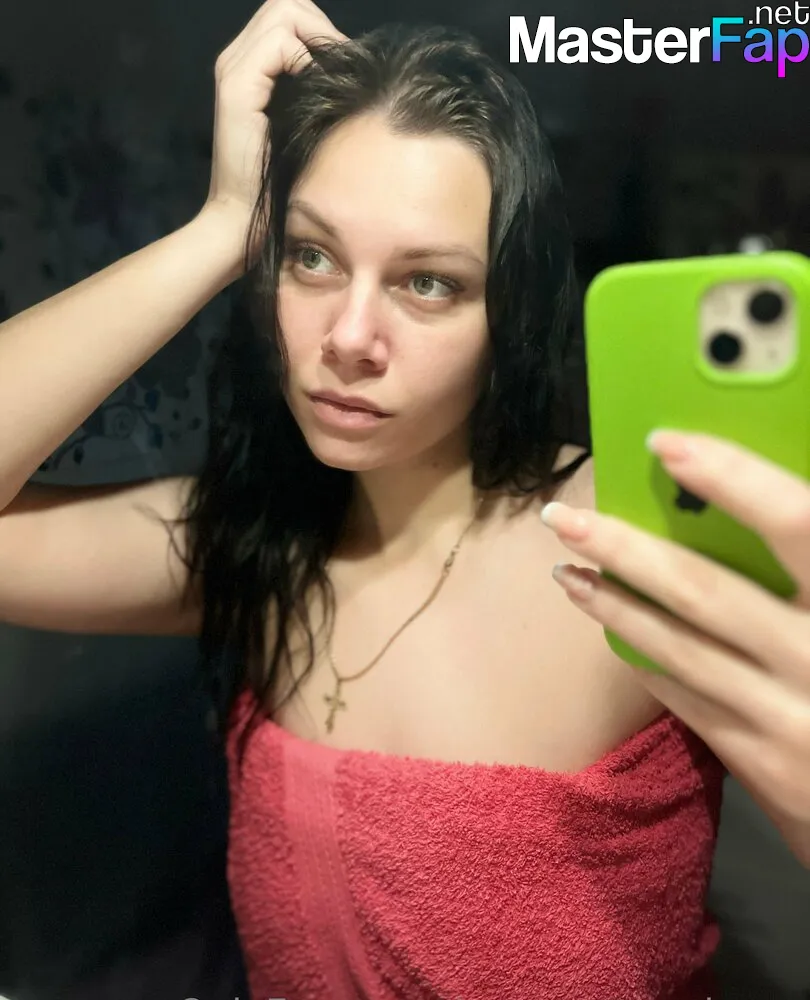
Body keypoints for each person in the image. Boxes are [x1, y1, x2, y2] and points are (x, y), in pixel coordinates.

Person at [1, 1, 809, 997]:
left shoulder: (621, 536)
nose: (349, 336)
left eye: (428, 283)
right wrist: (217, 231)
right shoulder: (258, 544)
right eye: (311, 256)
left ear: (508, 314)